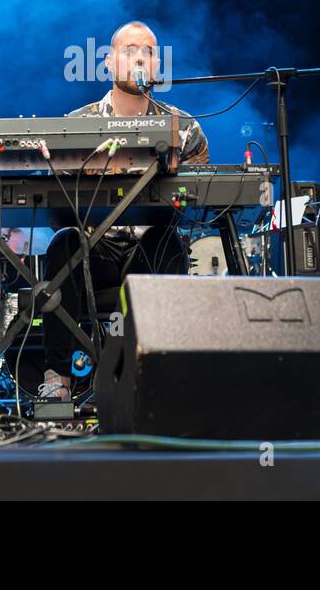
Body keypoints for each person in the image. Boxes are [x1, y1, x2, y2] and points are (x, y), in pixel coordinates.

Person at [39, 21, 208, 400]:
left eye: (148, 52)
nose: (140, 58)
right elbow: (53, 202)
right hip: (92, 253)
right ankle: (57, 380)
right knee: (64, 242)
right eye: (130, 50)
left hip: (147, 248)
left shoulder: (184, 129)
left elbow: (200, 204)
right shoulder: (75, 126)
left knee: (171, 242)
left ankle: (162, 374)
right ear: (108, 62)